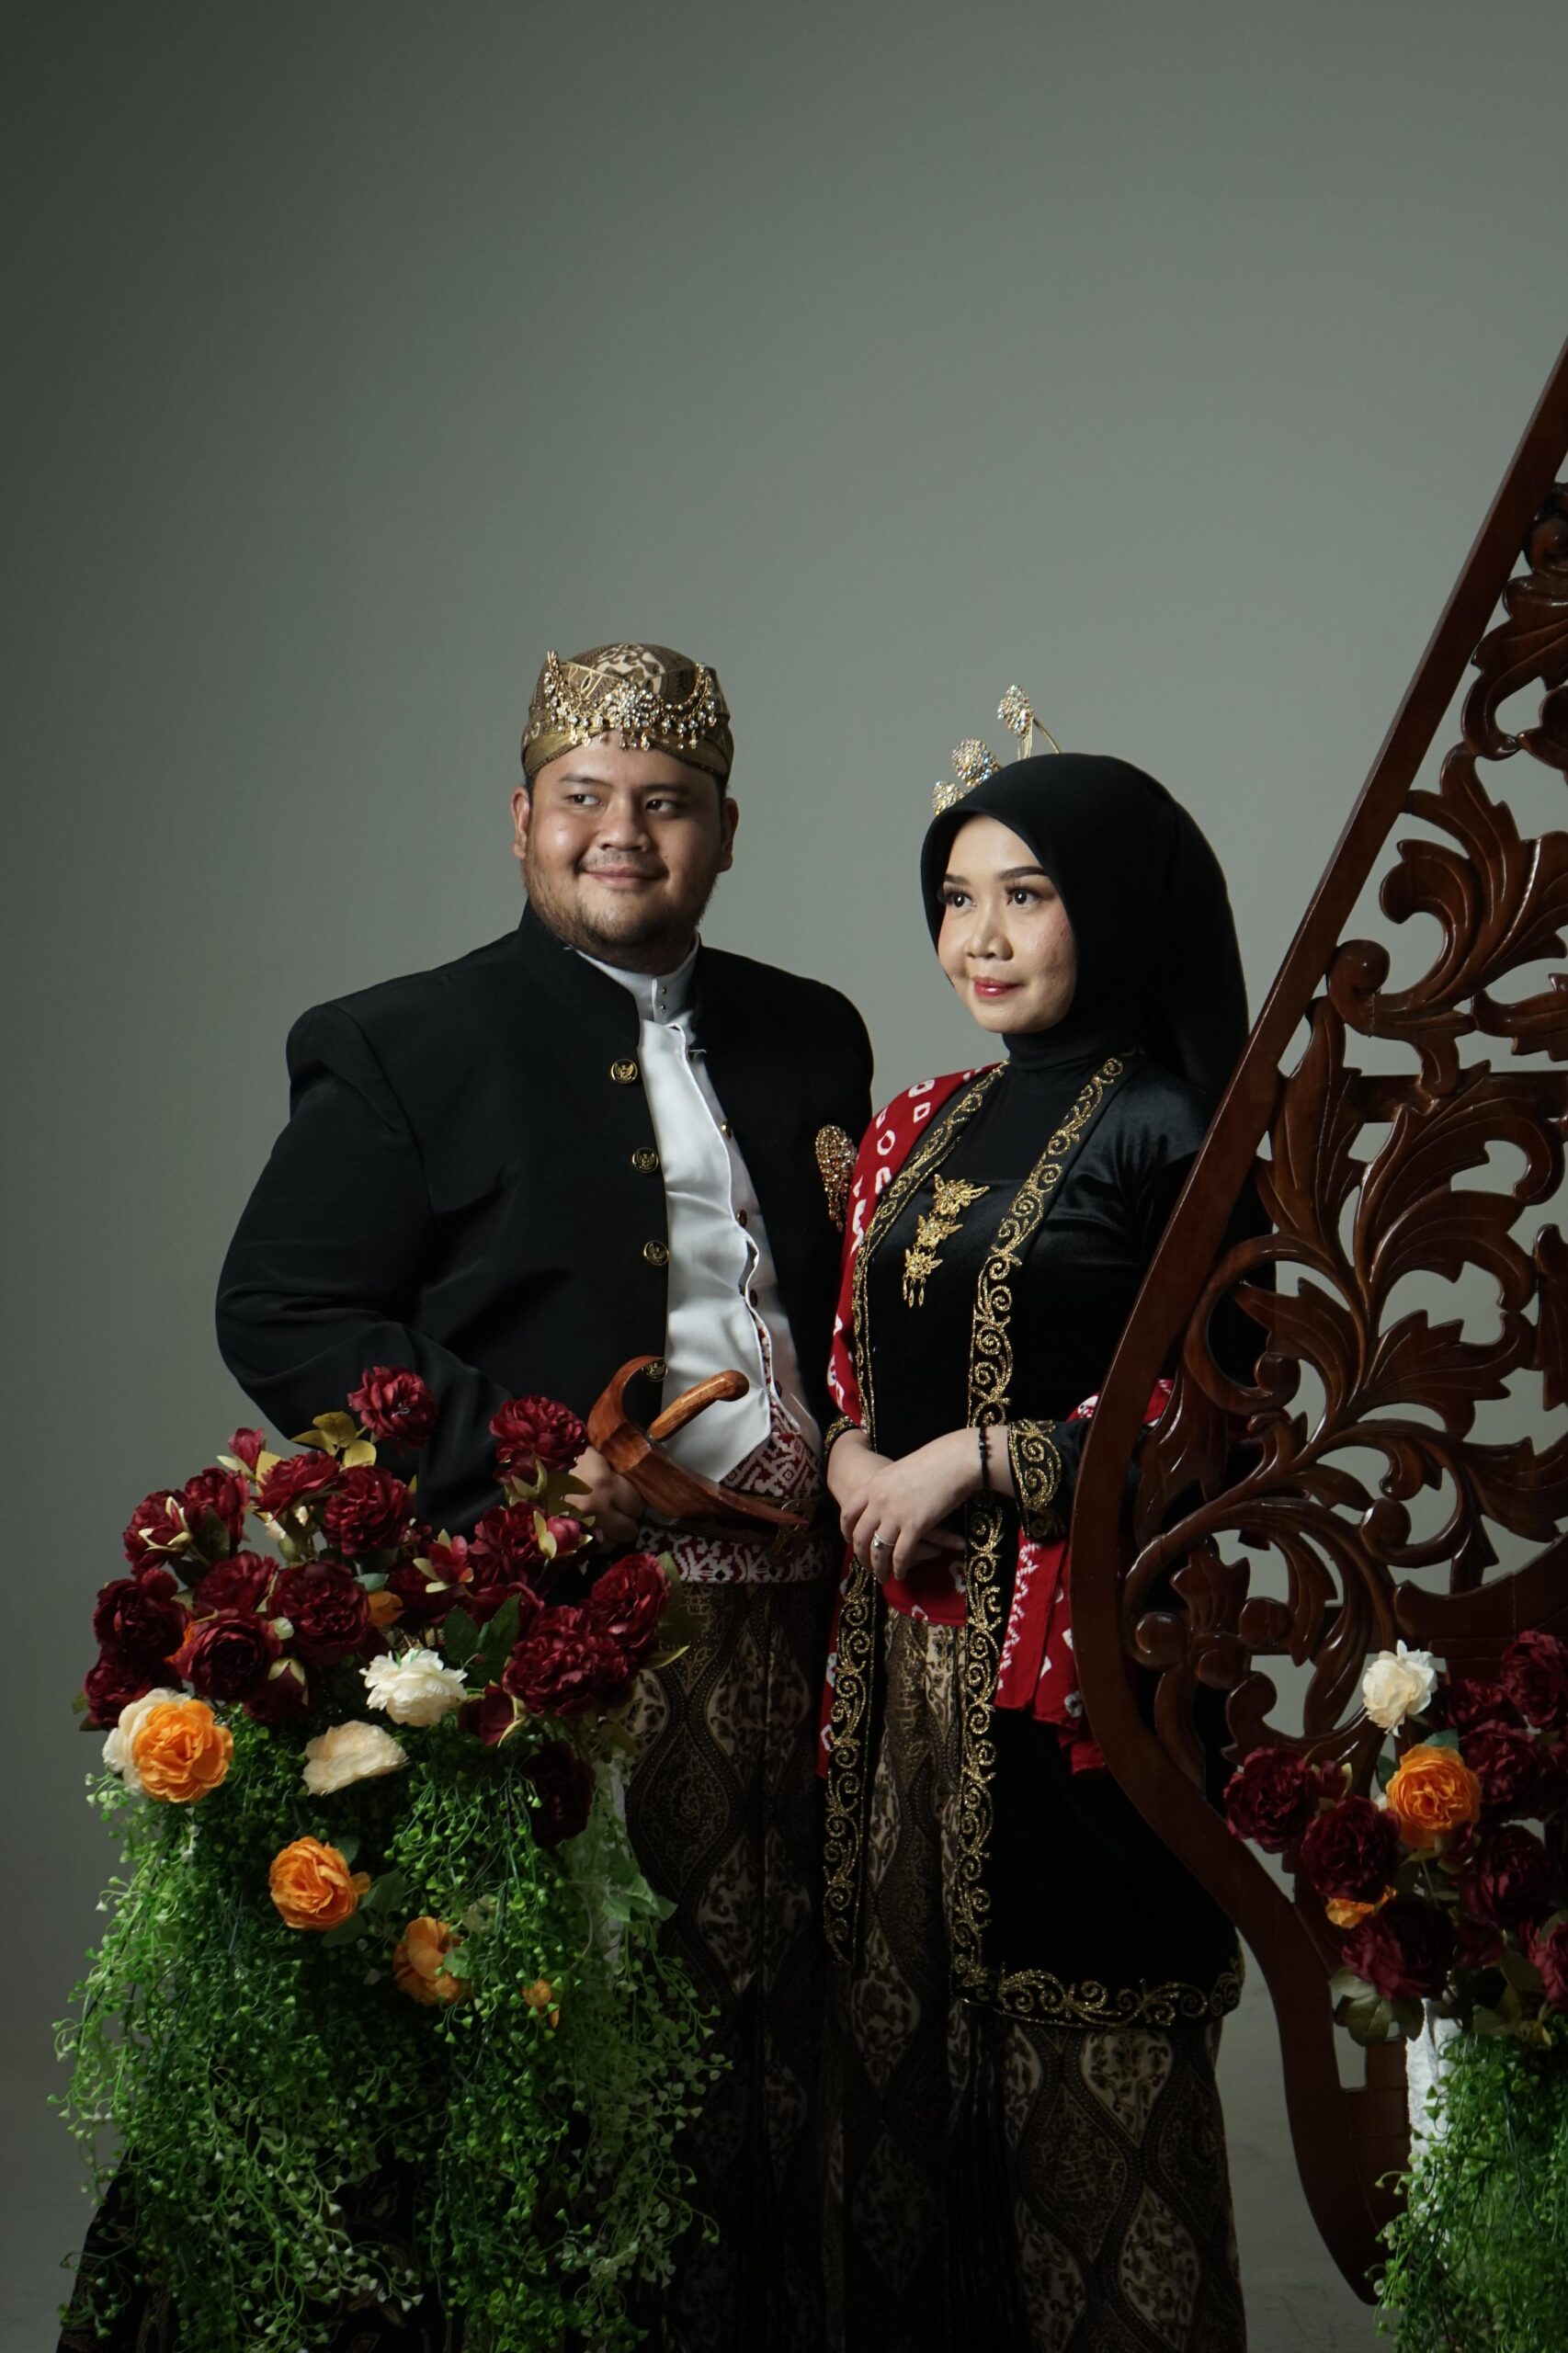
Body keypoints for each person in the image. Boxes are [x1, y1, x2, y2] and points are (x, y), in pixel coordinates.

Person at [64, 644, 870, 2353]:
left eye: (667, 804)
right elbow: (279, 1305)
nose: (623, 833)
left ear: (726, 833)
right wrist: (522, 1456)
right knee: (529, 2035)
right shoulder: (400, 1039)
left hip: (799, 1635)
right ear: (520, 822)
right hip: (537, 1638)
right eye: (585, 799)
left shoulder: (814, 1031)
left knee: (763, 2034)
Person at [819, 715, 1251, 2353]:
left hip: (1080, 1691)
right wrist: (852, 1455)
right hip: (896, 1696)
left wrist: (982, 1461)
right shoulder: (917, 1122)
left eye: (1026, 895)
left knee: (1091, 2095)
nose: (977, 940)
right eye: (953, 900)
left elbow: (1231, 1412)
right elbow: (852, 1358)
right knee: (900, 2099)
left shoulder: (1179, 1129)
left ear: (1115, 908)